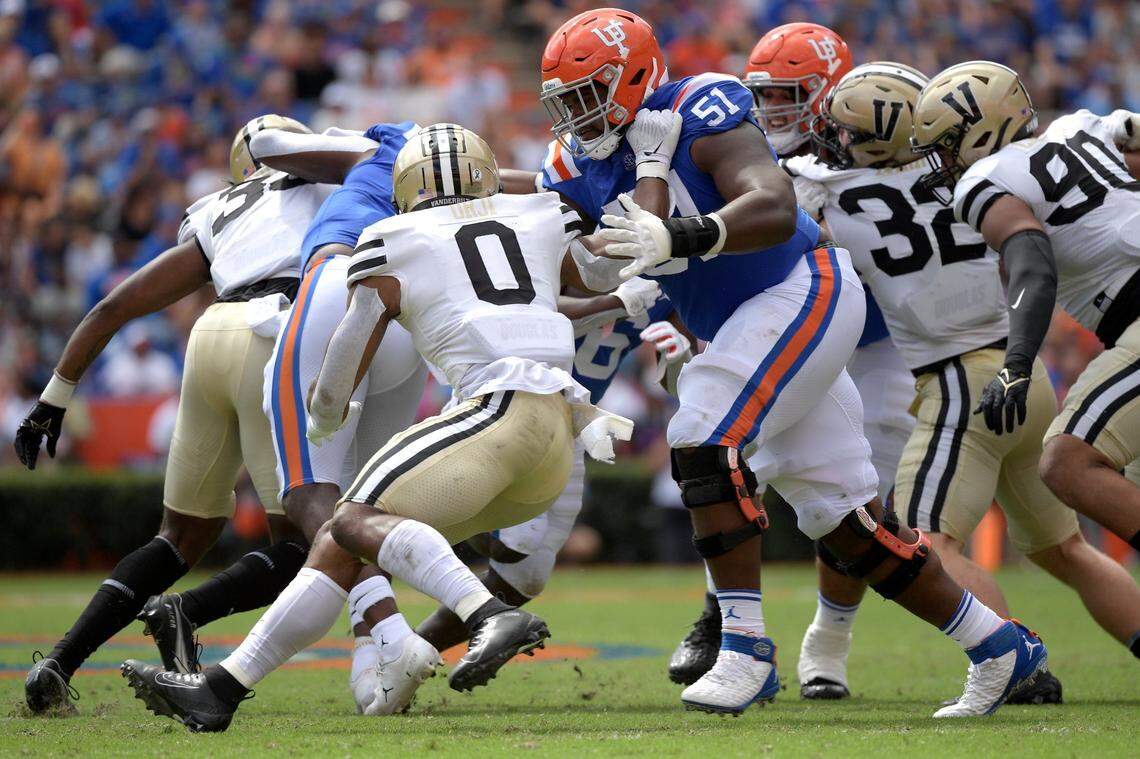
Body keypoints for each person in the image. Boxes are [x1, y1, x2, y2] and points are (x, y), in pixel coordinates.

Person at [542, 8, 1047, 717]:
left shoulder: (700, 107)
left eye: (587, 93)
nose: (575, 114)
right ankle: (998, 645)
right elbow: (591, 270)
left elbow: (775, 205)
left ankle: (744, 647)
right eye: (564, 100)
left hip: (799, 285)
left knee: (699, 435)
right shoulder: (576, 162)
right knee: (844, 520)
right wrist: (636, 214)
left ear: (633, 76)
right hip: (744, 322)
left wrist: (686, 230)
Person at [119, 123, 634, 732]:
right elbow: (603, 275)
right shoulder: (541, 215)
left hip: (496, 415)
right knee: (344, 545)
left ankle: (486, 611)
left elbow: (339, 373)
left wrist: (325, 416)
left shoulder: (392, 235)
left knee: (349, 516)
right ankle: (219, 692)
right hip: (558, 439)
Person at [793, 59, 1140, 703]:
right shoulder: (1003, 168)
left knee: (928, 545)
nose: (831, 141)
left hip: (962, 382)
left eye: (844, 130)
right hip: (1026, 370)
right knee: (1065, 550)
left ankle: (1017, 664)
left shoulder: (831, 195)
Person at [17, 115, 325, 713]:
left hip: (210, 335)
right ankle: (184, 611)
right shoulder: (327, 185)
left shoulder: (219, 209)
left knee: (178, 535)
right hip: (273, 332)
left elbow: (113, 306)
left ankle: (57, 665)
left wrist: (53, 397)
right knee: (299, 545)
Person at [669, 22, 919, 701]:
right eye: (765, 96)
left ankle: (828, 640)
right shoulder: (741, 160)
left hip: (883, 342)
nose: (773, 110)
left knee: (856, 498)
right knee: (723, 453)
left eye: (789, 95)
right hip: (796, 329)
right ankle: (722, 618)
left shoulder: (888, 144)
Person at [911, 62, 1140, 664]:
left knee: (1069, 463)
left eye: (944, 147)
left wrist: (1018, 360)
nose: (942, 163)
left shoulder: (985, 177)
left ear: (979, 133)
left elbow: (1031, 260)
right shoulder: (1087, 127)